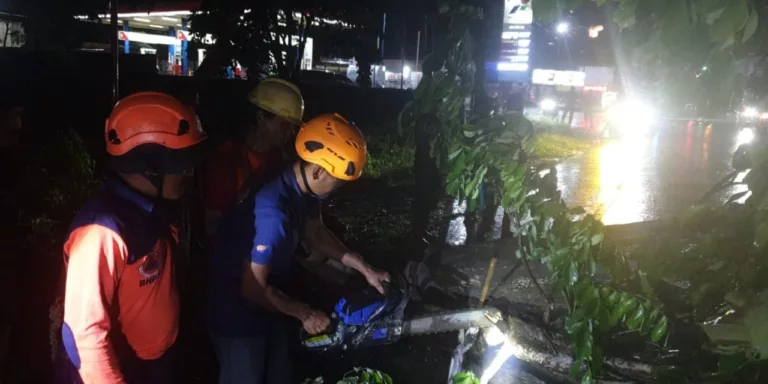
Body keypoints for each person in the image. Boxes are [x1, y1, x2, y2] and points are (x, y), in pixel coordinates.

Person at [207, 113, 391, 384]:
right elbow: (252, 289)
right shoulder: (272, 213)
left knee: (280, 374)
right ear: (318, 171)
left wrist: (365, 268)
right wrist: (304, 313)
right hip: (238, 313)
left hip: (274, 299)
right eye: (337, 181)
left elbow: (315, 232)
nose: (337, 188)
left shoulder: (298, 182)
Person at [55, 92, 208, 383]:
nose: (190, 174)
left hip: (157, 363)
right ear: (150, 166)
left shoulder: (155, 211)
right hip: (121, 370)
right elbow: (85, 333)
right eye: (183, 165)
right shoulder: (102, 228)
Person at [201, 77, 304, 238]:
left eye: (293, 126)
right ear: (261, 117)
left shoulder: (282, 161)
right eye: (285, 125)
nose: (290, 133)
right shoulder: (226, 163)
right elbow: (213, 225)